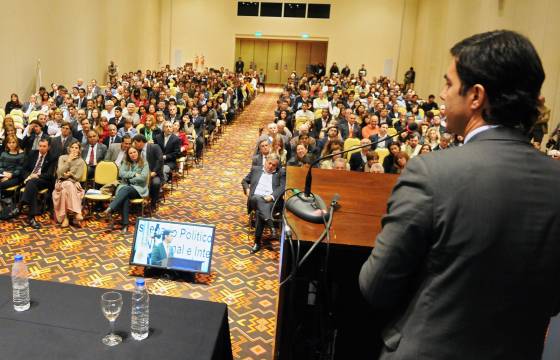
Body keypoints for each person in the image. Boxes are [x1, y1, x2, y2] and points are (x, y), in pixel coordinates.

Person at [359, 30, 560, 360]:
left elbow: (376, 286)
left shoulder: (432, 173)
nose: (441, 94)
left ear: (476, 96)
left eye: (449, 84)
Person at [241, 154, 286, 253]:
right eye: (269, 163)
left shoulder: (280, 172)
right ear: (266, 162)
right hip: (254, 198)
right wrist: (247, 189)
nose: (271, 166)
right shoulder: (256, 169)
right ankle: (271, 226)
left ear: (276, 166)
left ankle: (257, 242)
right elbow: (244, 181)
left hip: (270, 202)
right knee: (258, 199)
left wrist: (272, 196)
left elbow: (283, 187)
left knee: (259, 211)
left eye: (274, 165)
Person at [103, 146, 149, 234]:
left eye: (134, 152)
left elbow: (143, 178)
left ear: (138, 152)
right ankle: (125, 225)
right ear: (128, 155)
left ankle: (111, 208)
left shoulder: (144, 163)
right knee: (125, 198)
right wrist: (135, 174)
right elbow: (121, 173)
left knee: (126, 190)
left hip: (138, 189)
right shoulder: (125, 162)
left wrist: (129, 179)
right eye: (130, 153)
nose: (133, 154)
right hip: (125, 188)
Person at [13, 139, 56, 228]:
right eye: (40, 146)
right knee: (32, 185)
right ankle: (31, 217)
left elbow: (49, 175)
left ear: (48, 147)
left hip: (44, 181)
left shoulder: (52, 157)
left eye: (44, 146)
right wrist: (29, 176)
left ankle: (20, 205)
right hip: (30, 180)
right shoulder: (32, 154)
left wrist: (36, 176)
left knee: (32, 182)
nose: (42, 148)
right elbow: (23, 169)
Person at [52, 141, 85, 227]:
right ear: (69, 149)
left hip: (74, 183)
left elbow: (78, 177)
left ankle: (65, 218)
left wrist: (71, 174)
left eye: (76, 148)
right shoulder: (62, 158)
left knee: (64, 192)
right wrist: (68, 161)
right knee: (68, 184)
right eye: (72, 147)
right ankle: (77, 212)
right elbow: (59, 173)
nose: (74, 149)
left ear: (79, 150)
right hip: (61, 182)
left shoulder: (81, 161)